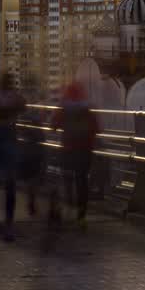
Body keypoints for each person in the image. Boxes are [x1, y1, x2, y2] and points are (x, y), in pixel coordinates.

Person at [52, 82, 99, 225]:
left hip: (68, 149)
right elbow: (96, 128)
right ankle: (81, 214)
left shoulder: (64, 108)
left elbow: (53, 125)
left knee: (66, 178)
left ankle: (67, 203)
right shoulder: (88, 110)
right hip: (85, 150)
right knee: (82, 180)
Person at [0, 73, 26, 239]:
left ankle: (5, 220)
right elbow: (23, 106)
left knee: (1, 179)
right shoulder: (16, 97)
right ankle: (8, 222)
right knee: (10, 183)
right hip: (10, 136)